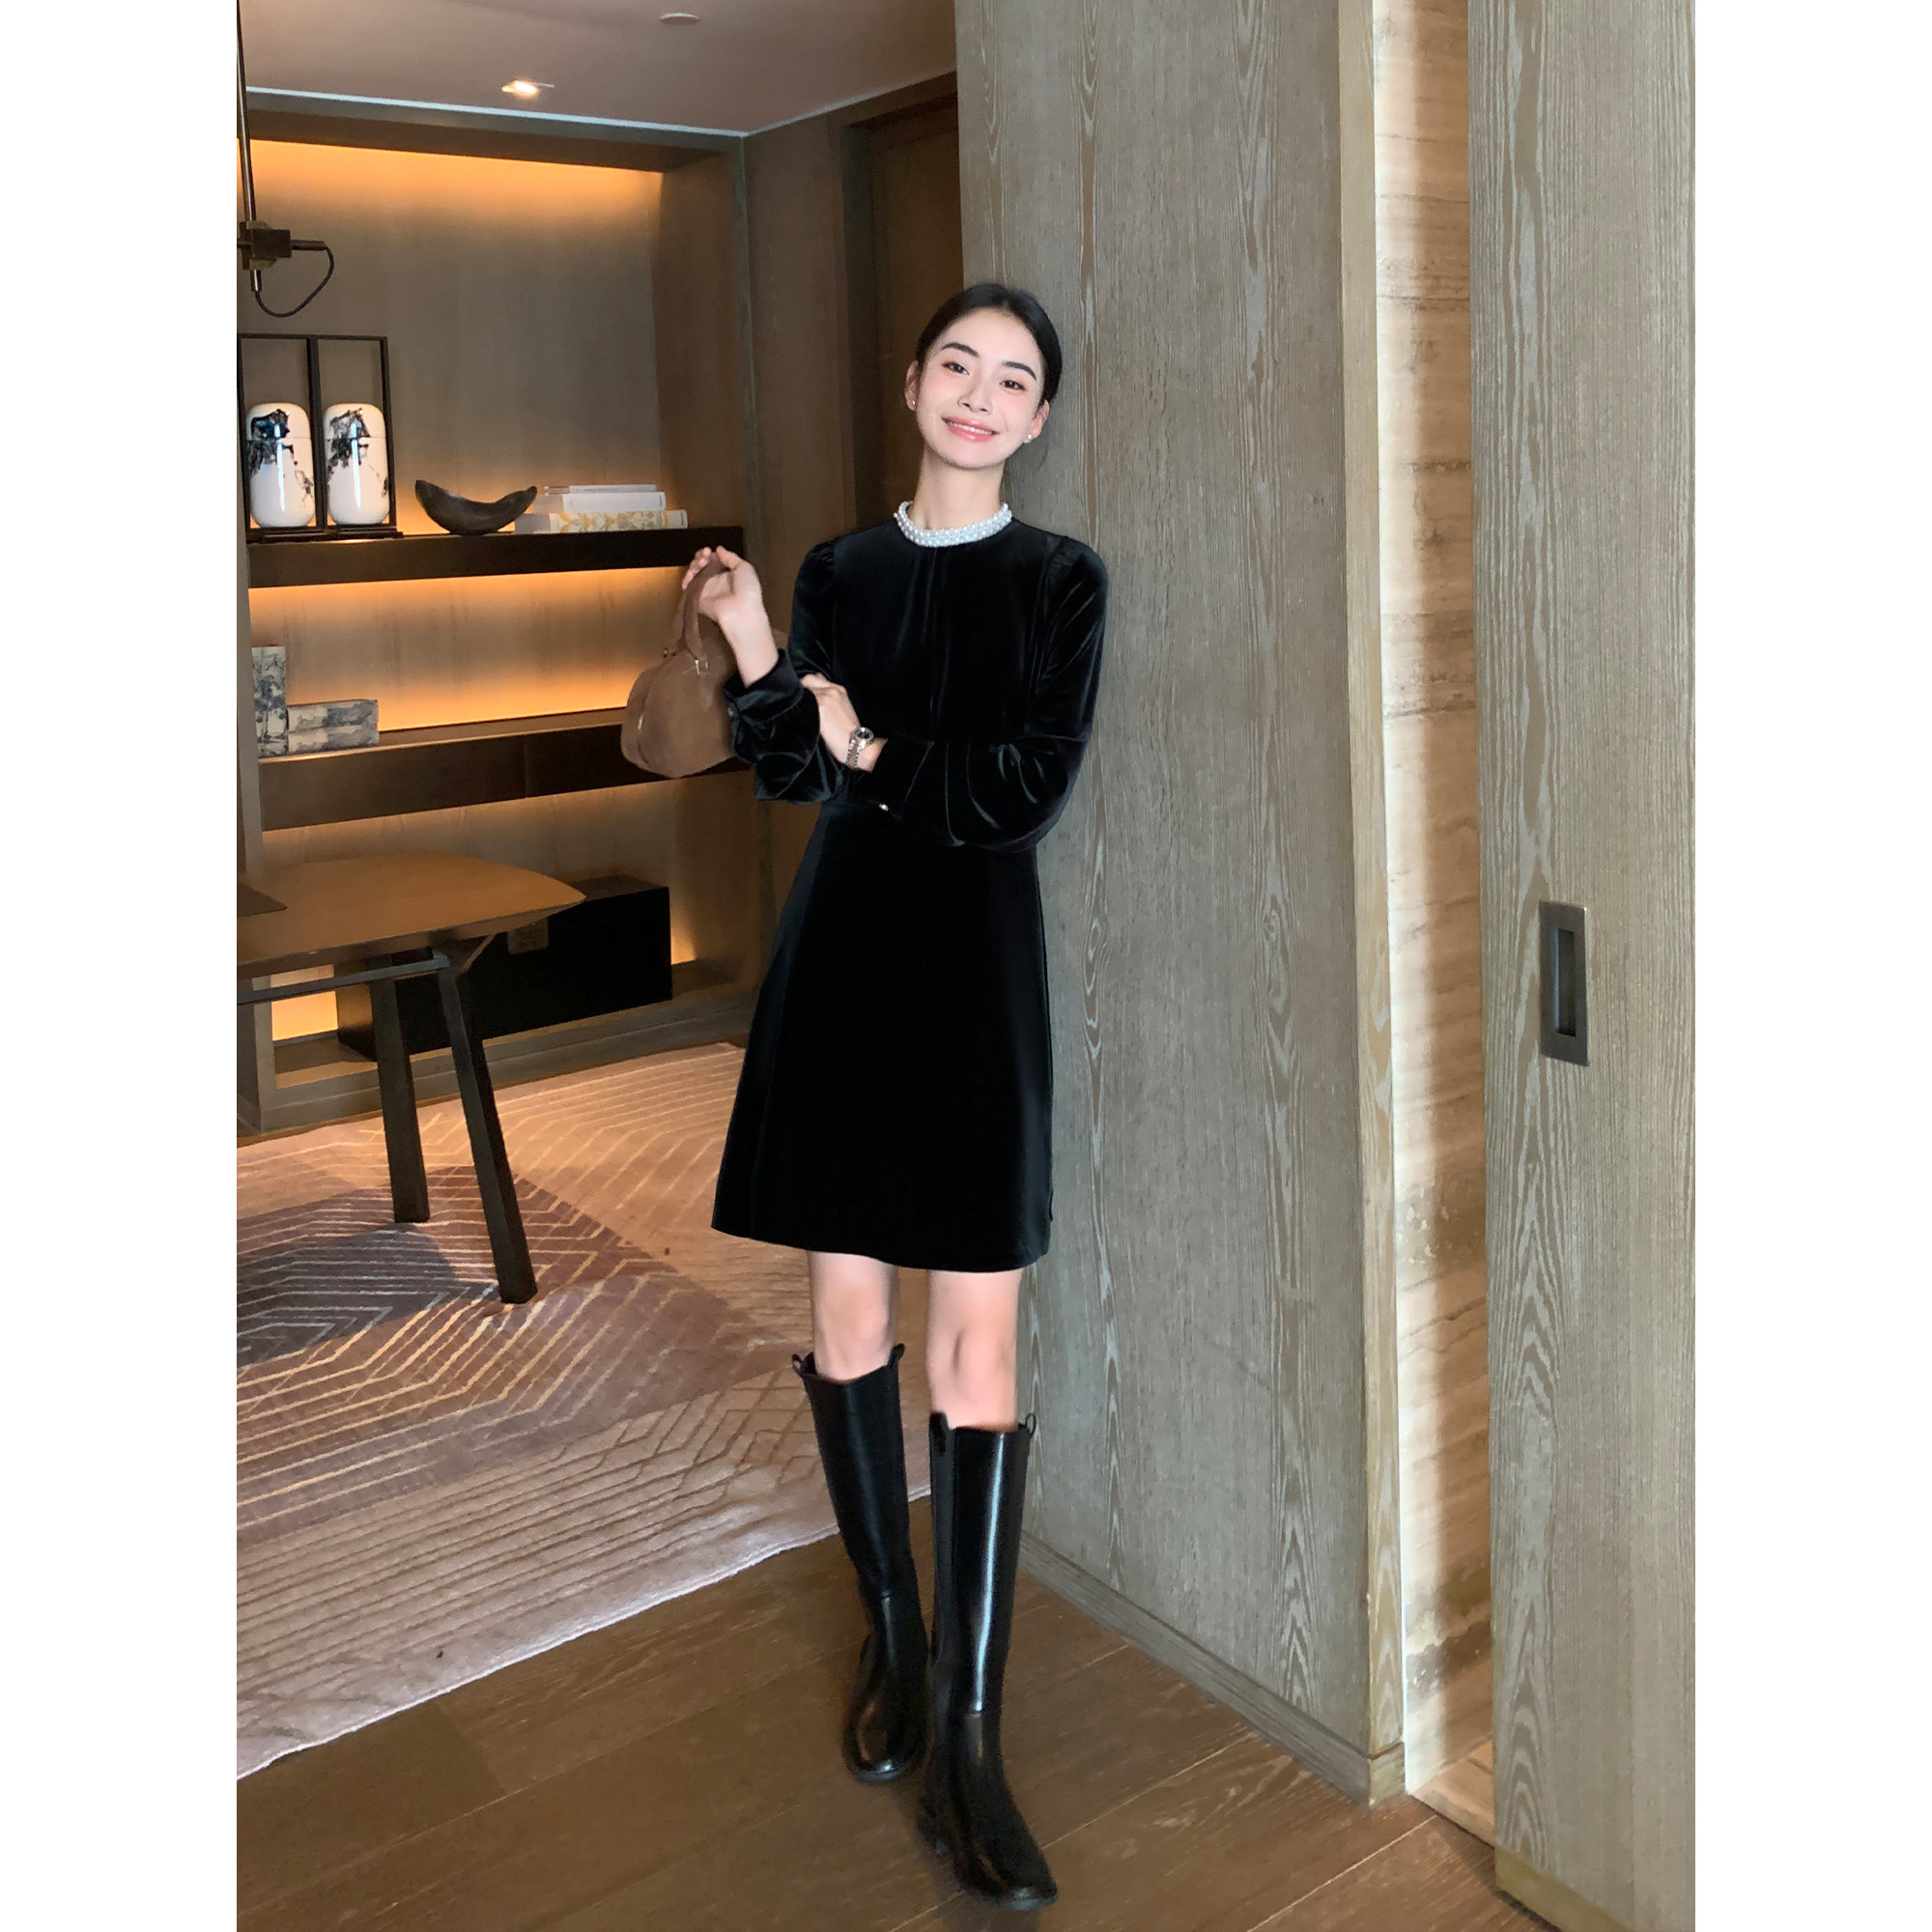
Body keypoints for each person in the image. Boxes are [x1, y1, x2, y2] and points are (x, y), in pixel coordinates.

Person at [682, 282, 1107, 1913]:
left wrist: (868, 746)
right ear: (915, 384)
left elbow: (1021, 795)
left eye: (1014, 379)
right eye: (958, 366)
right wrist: (758, 647)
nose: (980, 396)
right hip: (845, 968)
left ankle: (972, 1744)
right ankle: (895, 1633)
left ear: (1038, 419)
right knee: (849, 1323)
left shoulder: (1061, 579)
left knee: (977, 1349)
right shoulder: (840, 571)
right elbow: (794, 769)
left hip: (976, 978)